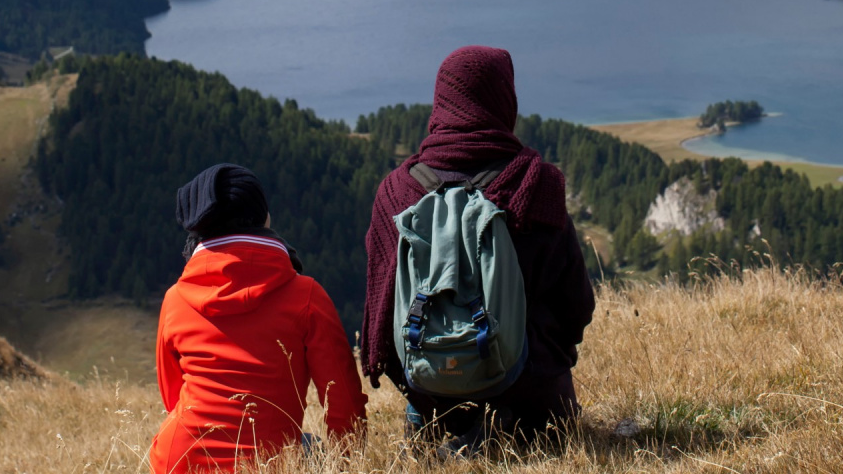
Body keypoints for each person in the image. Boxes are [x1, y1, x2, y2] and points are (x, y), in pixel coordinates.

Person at [363, 46, 596, 446]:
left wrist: (425, 383)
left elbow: (381, 315)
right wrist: (547, 363)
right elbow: (577, 305)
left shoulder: (395, 192)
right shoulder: (535, 184)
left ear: (442, 100)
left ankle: (438, 424)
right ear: (504, 99)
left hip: (431, 397)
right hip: (534, 397)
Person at [149, 163, 367, 473]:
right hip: (270, 463)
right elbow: (344, 400)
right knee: (311, 447)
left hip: (180, 461)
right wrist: (345, 463)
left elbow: (172, 397)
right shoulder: (306, 295)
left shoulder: (175, 299)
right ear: (264, 218)